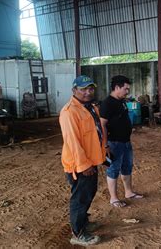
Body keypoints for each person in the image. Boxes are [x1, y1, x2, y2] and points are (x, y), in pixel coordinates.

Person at [59, 75, 105, 246]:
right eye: (83, 89)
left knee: (89, 193)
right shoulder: (69, 112)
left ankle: (84, 222)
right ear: (74, 90)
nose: (88, 92)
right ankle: (78, 233)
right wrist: (84, 165)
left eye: (90, 88)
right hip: (79, 164)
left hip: (91, 160)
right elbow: (73, 142)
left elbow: (96, 133)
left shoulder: (90, 108)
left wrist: (102, 154)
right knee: (80, 198)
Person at [100, 75, 143, 208]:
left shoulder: (122, 101)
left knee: (127, 167)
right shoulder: (107, 103)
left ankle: (128, 192)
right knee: (113, 170)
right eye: (125, 89)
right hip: (114, 143)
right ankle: (113, 198)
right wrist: (105, 145)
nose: (127, 91)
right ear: (117, 87)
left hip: (125, 141)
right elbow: (102, 125)